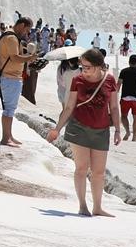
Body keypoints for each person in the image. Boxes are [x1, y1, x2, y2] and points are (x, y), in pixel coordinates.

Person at [47, 48, 121, 217]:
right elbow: (69, 107)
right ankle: (82, 205)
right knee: (81, 168)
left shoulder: (109, 81)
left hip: (101, 130)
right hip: (78, 128)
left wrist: (117, 129)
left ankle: (98, 207)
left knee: (99, 172)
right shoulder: (77, 80)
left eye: (87, 67)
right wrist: (57, 129)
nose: (84, 70)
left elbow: (115, 107)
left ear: (98, 66)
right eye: (82, 66)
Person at [0, 16, 37, 146]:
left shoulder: (14, 37)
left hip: (13, 77)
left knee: (10, 109)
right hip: (10, 77)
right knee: (8, 109)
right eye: (27, 29)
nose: (27, 33)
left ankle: (9, 135)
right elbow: (14, 58)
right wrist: (30, 58)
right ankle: (5, 138)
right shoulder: (11, 38)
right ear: (21, 25)